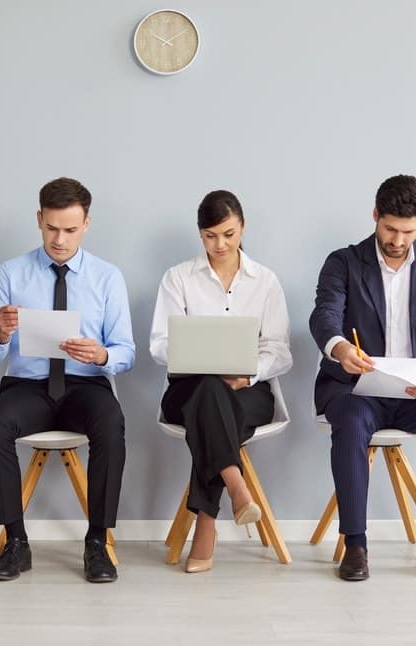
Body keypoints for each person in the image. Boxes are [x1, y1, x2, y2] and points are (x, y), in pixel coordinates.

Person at [310, 174, 416, 581]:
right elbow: (325, 315)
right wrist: (340, 348)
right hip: (355, 389)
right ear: (375, 215)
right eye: (390, 228)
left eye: (408, 231)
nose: (398, 239)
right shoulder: (344, 262)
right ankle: (355, 545)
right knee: (352, 422)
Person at [0, 177, 135, 583]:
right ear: (38, 220)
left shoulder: (107, 277)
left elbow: (126, 352)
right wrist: (1, 333)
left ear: (86, 224)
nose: (59, 240)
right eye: (51, 228)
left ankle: (97, 542)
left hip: (86, 386)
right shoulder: (11, 273)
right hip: (28, 388)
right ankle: (16, 542)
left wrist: (102, 355)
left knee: (111, 422)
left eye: (69, 229)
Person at [150, 190, 292, 573]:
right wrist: (197, 359)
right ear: (200, 234)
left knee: (212, 412)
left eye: (228, 234)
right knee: (209, 391)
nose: (220, 244)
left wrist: (249, 372)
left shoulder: (265, 281)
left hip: (250, 391)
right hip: (188, 388)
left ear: (242, 227)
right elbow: (158, 344)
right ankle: (235, 482)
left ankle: (207, 524)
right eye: (211, 236)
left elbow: (280, 350)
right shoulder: (177, 278)